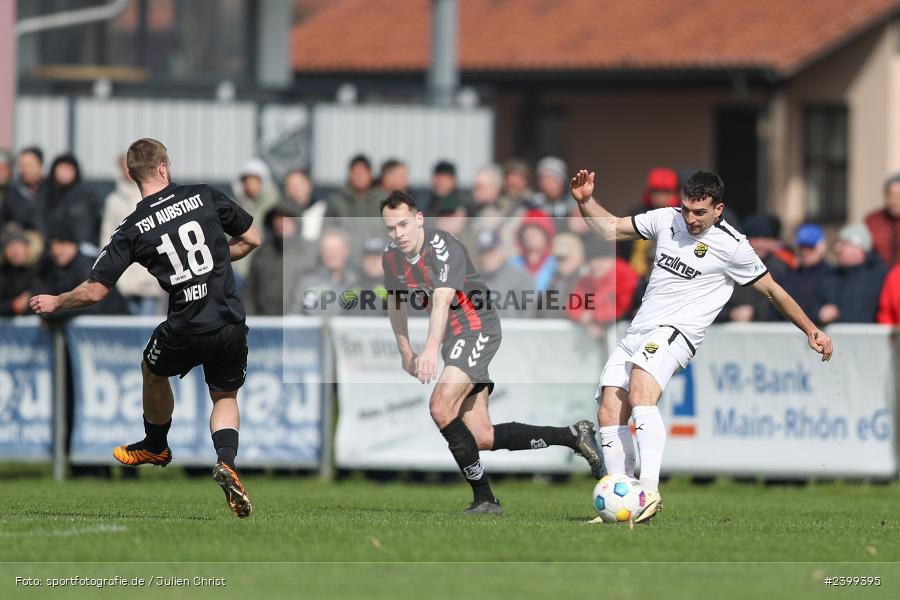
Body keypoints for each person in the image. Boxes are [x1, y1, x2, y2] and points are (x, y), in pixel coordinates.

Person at [570, 168, 833, 524]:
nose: (690, 219)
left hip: (677, 331)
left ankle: (648, 490)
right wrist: (586, 202)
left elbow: (772, 290)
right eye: (686, 210)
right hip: (639, 329)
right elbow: (611, 228)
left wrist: (810, 329)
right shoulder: (667, 219)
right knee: (608, 407)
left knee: (641, 393)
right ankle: (620, 493)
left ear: (718, 209)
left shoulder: (733, 245)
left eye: (699, 212)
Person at [29, 138, 260, 519]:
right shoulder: (204, 196)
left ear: (132, 174)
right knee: (225, 397)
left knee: (152, 369)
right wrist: (219, 254)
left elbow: (95, 291)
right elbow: (253, 238)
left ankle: (156, 444)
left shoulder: (132, 227)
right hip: (231, 321)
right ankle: (226, 460)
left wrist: (56, 301)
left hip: (187, 324)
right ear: (164, 167)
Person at [380, 190, 604, 515]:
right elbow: (395, 300)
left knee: (441, 407)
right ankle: (572, 436)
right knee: (482, 436)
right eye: (390, 228)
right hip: (453, 336)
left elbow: (442, 300)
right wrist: (404, 350)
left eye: (403, 224)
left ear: (419, 219)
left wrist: (428, 350)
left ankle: (485, 498)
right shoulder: (391, 256)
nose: (398, 233)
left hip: (477, 327)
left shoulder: (443, 247)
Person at [101, 154, 165, 315]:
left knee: (147, 326)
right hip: (124, 275)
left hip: (150, 274)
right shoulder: (113, 201)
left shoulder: (154, 196)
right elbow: (107, 236)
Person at [818, 224, 888, 324]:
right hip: (836, 338)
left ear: (859, 248)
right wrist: (819, 314)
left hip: (872, 338)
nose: (837, 248)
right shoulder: (830, 276)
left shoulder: (881, 275)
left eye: (843, 244)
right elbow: (812, 306)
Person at [864, 173, 900, 267]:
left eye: (899, 195)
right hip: (879, 275)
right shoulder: (873, 220)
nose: (895, 200)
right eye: (891, 195)